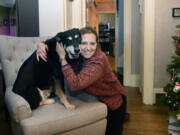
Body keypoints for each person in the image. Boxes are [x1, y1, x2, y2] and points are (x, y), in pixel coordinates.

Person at [36, 26, 127, 135]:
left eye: (92, 44)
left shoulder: (98, 62)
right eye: (84, 43)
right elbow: (58, 39)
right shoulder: (78, 53)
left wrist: (62, 59)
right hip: (100, 98)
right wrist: (41, 44)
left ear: (97, 44)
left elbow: (75, 85)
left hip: (115, 101)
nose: (88, 48)